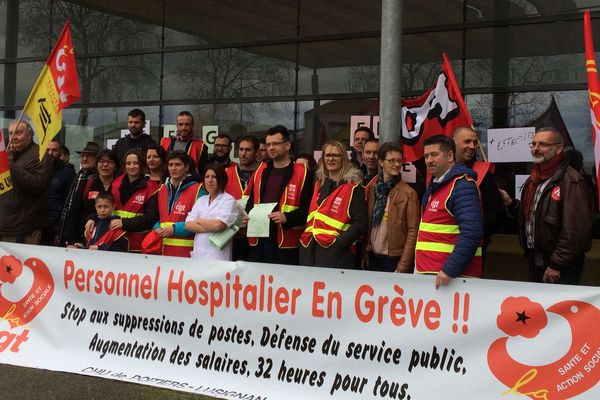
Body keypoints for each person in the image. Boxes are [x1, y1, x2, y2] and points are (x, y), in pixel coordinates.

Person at [503, 127, 593, 285]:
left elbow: (576, 231)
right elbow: (535, 217)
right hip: (536, 261)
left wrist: (556, 265)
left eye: (543, 144)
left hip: (560, 266)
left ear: (559, 149)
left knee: (557, 310)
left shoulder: (571, 181)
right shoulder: (533, 180)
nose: (536, 148)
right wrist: (511, 204)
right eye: (533, 144)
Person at [415, 135, 483, 289]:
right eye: (426, 156)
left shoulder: (461, 185)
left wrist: (449, 270)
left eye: (434, 155)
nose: (428, 161)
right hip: (434, 274)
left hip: (452, 279)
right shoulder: (438, 185)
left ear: (450, 156)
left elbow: (472, 232)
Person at [245, 125, 314, 265]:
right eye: (268, 144)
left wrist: (286, 217)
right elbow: (251, 202)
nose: (271, 148)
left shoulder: (303, 173)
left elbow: (309, 209)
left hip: (286, 242)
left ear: (287, 145)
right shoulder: (260, 170)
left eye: (275, 143)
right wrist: (247, 215)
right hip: (259, 239)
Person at [300, 141, 366, 269]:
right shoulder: (318, 184)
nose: (331, 159)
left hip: (337, 255)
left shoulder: (353, 187)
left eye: (336, 155)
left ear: (344, 159)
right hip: (310, 250)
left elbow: (361, 223)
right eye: (327, 155)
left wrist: (340, 244)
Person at [363, 143, 420, 273]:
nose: (397, 164)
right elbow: (368, 223)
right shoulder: (373, 189)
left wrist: (403, 265)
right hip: (373, 256)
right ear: (381, 162)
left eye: (399, 161)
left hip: (394, 259)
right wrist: (364, 254)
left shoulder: (408, 193)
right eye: (392, 160)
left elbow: (413, 231)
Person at [453, 127, 505, 257]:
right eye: (467, 141)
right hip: (438, 252)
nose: (472, 146)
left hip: (472, 250)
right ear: (453, 143)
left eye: (475, 143)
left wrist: (472, 232)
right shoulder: (439, 171)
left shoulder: (483, 173)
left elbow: (497, 214)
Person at [0, 120, 53, 244]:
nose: (13, 137)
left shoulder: (40, 155)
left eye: (18, 133)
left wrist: (10, 165)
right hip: (6, 226)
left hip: (23, 230)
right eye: (11, 133)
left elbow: (36, 184)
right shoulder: (12, 155)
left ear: (30, 135)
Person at [103, 149, 159, 252]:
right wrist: (92, 219)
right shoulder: (115, 183)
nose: (131, 166)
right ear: (124, 166)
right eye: (128, 163)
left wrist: (124, 223)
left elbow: (150, 219)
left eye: (135, 163)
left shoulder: (152, 188)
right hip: (114, 243)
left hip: (137, 246)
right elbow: (104, 207)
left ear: (141, 165)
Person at [152, 151, 206, 257]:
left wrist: (175, 229)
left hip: (187, 253)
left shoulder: (198, 189)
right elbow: (160, 217)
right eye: (170, 165)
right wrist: (156, 227)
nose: (173, 168)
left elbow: (202, 223)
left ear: (186, 167)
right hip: (162, 251)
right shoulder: (162, 189)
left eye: (178, 165)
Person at [185, 164, 239, 261]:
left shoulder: (229, 200)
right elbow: (188, 225)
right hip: (199, 254)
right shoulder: (201, 200)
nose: (210, 180)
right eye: (207, 177)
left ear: (221, 179)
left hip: (218, 256)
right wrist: (210, 225)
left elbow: (218, 225)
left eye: (214, 177)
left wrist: (198, 220)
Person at [58, 141, 99, 246]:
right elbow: (70, 207)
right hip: (70, 232)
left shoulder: (97, 179)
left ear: (97, 158)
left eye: (89, 156)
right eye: (82, 156)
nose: (84, 159)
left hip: (85, 235)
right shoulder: (78, 176)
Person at [226, 135, 259, 261]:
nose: (243, 154)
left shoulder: (265, 172)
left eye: (248, 150)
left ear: (256, 152)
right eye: (241, 149)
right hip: (231, 235)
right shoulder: (226, 173)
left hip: (256, 234)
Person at [79, 149, 120, 238]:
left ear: (116, 166)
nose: (105, 165)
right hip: (87, 237)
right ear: (96, 165)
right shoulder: (87, 184)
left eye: (110, 162)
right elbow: (75, 211)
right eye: (101, 162)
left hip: (112, 237)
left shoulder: (121, 186)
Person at [43, 139, 76, 245]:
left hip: (55, 226)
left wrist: (61, 225)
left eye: (54, 150)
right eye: (48, 150)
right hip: (37, 223)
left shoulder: (67, 173)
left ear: (60, 152)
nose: (50, 153)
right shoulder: (38, 169)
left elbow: (70, 201)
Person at [160, 111, 208, 176]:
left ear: (192, 125)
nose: (183, 128)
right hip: (168, 183)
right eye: (181, 124)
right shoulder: (165, 142)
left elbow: (203, 173)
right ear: (177, 125)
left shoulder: (201, 146)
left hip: (190, 183)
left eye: (187, 124)